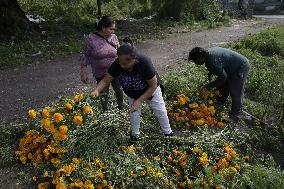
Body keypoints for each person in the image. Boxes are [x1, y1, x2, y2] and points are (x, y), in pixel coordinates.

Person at [91, 43, 173, 141]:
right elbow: (105, 80)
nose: (121, 66)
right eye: (120, 62)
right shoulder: (117, 64)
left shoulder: (144, 62)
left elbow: (153, 86)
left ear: (134, 59)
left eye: (125, 64)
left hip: (150, 91)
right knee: (134, 114)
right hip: (132, 93)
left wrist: (139, 101)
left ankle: (168, 133)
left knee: (160, 110)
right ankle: (135, 136)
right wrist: (96, 90)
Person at [188, 47, 250, 122]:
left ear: (201, 57)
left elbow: (223, 77)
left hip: (240, 67)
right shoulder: (208, 54)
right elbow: (220, 67)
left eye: (196, 61)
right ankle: (217, 106)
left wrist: (208, 86)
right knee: (222, 87)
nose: (196, 63)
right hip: (230, 67)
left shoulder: (212, 61)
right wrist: (211, 72)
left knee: (235, 91)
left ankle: (235, 115)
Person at [81, 16, 124, 111]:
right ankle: (105, 113)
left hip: (115, 70)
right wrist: (83, 72)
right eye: (111, 29)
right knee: (104, 93)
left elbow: (119, 51)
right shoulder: (91, 39)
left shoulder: (113, 37)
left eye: (114, 29)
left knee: (119, 90)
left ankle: (121, 109)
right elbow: (85, 55)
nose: (113, 31)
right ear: (103, 27)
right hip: (101, 73)